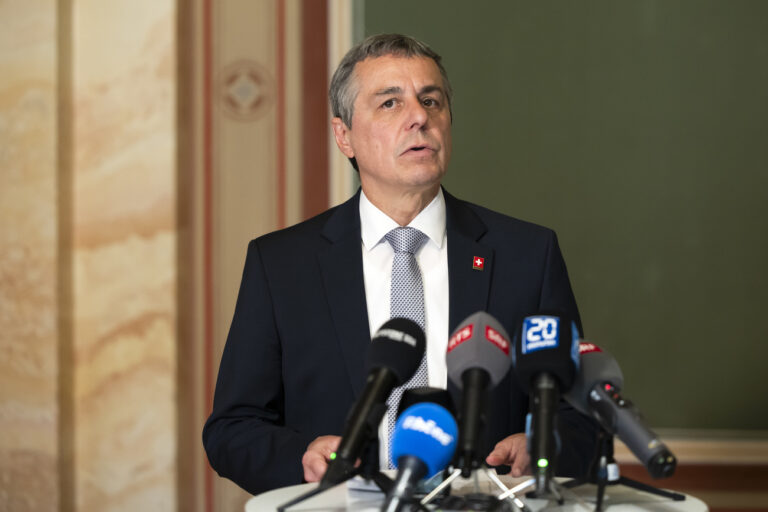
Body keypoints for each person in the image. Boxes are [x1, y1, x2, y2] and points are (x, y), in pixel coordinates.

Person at [203, 33, 596, 496]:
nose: (419, 117)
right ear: (343, 135)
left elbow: (582, 416)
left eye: (431, 100)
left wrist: (543, 443)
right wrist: (302, 456)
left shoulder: (527, 254)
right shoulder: (283, 264)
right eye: (390, 103)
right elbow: (233, 428)